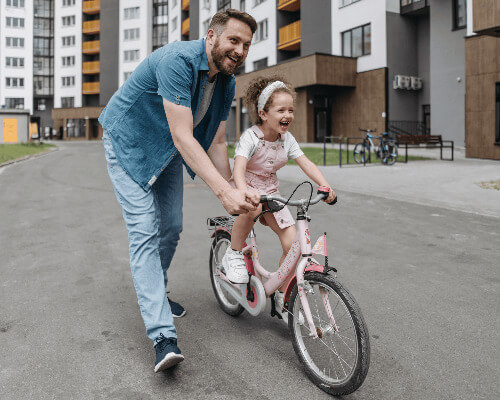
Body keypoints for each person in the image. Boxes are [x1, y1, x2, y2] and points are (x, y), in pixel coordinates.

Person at [98, 9, 259, 373]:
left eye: (247, 45)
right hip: (129, 142)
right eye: (234, 40)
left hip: (167, 149)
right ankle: (162, 337)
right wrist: (223, 194)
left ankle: (160, 291)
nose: (240, 50)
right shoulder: (177, 60)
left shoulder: (227, 83)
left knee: (171, 227)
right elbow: (184, 135)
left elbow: (217, 142)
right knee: (144, 231)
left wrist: (238, 191)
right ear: (212, 36)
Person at [222, 76, 336, 321]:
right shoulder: (250, 137)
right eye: (281, 110)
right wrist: (243, 191)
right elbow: (239, 168)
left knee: (293, 244)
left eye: (291, 110)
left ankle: (280, 294)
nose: (288, 115)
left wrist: (324, 184)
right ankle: (233, 252)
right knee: (250, 210)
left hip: (271, 193)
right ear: (263, 114)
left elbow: (305, 161)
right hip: (248, 187)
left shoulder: (288, 139)